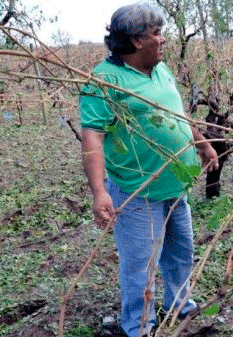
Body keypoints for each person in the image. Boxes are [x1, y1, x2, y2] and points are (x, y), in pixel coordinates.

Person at [79, 4, 218, 337]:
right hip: (137, 191)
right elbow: (92, 136)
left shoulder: (161, 70)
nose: (163, 39)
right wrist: (99, 191)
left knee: (181, 252)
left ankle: (179, 303)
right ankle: (139, 327)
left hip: (175, 186)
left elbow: (176, 114)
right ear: (136, 40)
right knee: (140, 267)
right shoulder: (103, 80)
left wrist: (201, 144)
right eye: (156, 33)